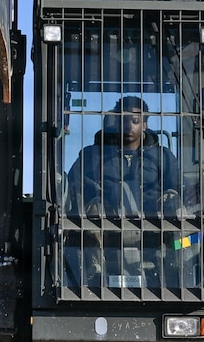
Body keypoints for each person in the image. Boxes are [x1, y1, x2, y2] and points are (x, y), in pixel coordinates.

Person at [61, 96, 194, 291]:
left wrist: (185, 195)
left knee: (188, 231)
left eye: (135, 121)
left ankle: (179, 275)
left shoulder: (163, 157)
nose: (129, 126)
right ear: (116, 122)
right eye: (124, 120)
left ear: (145, 125)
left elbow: (180, 189)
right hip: (105, 231)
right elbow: (73, 190)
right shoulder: (91, 156)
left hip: (156, 232)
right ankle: (92, 276)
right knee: (88, 215)